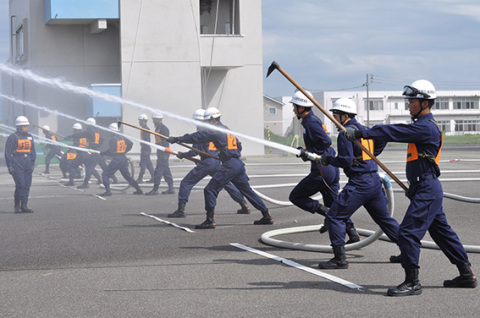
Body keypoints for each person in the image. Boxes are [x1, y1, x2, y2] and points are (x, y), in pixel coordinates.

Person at [343, 79, 477, 296]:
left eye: (412, 100)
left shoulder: (426, 128)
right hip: (424, 188)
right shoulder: (421, 127)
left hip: (427, 188)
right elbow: (396, 136)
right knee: (442, 234)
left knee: (406, 233)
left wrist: (363, 133)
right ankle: (466, 274)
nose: (409, 104)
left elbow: (394, 132)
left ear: (425, 102)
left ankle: (412, 282)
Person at [317, 97, 400, 270]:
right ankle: (409, 250)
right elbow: (380, 141)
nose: (333, 118)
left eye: (336, 115)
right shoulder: (363, 130)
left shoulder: (345, 133)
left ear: (344, 115)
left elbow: (346, 161)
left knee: (335, 216)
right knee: (384, 219)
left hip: (360, 183)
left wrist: (328, 160)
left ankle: (340, 259)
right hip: (374, 181)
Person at [168, 107, 273, 229]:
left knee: (210, 190)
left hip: (230, 165)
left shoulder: (214, 130)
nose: (205, 123)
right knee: (247, 190)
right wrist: (228, 154)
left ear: (213, 120)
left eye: (207, 121)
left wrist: (178, 139)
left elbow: (197, 137)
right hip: (238, 164)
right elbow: (238, 145)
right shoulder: (227, 129)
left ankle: (210, 220)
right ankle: (266, 215)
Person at [287, 90, 360, 243]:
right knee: (337, 205)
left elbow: (325, 142)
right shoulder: (311, 120)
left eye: (295, 106)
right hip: (329, 168)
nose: (293, 109)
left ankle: (325, 212)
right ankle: (353, 234)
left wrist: (311, 154)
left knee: (296, 196)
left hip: (322, 169)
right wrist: (306, 153)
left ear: (302, 107)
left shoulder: (310, 122)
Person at [168, 109, 250, 218]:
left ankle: (181, 210)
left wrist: (183, 153)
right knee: (227, 184)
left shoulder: (203, 131)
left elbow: (195, 150)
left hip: (208, 162)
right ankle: (244, 205)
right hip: (216, 161)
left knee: (186, 183)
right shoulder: (215, 129)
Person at [99, 123, 143, 197]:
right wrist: (124, 151)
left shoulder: (113, 139)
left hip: (117, 159)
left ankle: (108, 191)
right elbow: (130, 143)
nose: (109, 132)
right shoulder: (122, 137)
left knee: (105, 174)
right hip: (123, 158)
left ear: (112, 131)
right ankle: (138, 189)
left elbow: (110, 152)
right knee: (128, 176)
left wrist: (102, 153)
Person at [4, 116, 36, 213]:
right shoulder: (13, 137)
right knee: (20, 185)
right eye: (25, 126)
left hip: (27, 162)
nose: (27, 128)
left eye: (27, 126)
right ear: (19, 126)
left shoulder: (30, 136)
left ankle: (24, 206)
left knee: (27, 185)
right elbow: (7, 152)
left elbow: (33, 151)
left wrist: (32, 163)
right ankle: (17, 206)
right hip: (17, 162)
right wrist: (9, 165)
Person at [145, 113, 175, 195]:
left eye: (154, 119)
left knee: (158, 171)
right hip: (160, 151)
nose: (153, 121)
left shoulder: (163, 129)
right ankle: (171, 188)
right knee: (166, 171)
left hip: (163, 152)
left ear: (158, 120)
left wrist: (165, 154)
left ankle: (155, 189)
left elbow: (165, 142)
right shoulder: (158, 128)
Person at [77, 117, 103, 188]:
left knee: (89, 167)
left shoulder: (89, 131)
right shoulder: (96, 131)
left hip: (93, 151)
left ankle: (86, 183)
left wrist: (93, 145)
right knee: (93, 166)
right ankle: (101, 179)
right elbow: (101, 139)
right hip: (95, 151)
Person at [136, 114, 155, 183]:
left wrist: (146, 149)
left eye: (140, 121)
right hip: (144, 148)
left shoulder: (145, 129)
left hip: (145, 149)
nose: (139, 122)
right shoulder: (143, 128)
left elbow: (147, 140)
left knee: (143, 164)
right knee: (148, 164)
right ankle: (154, 177)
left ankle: (140, 178)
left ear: (143, 121)